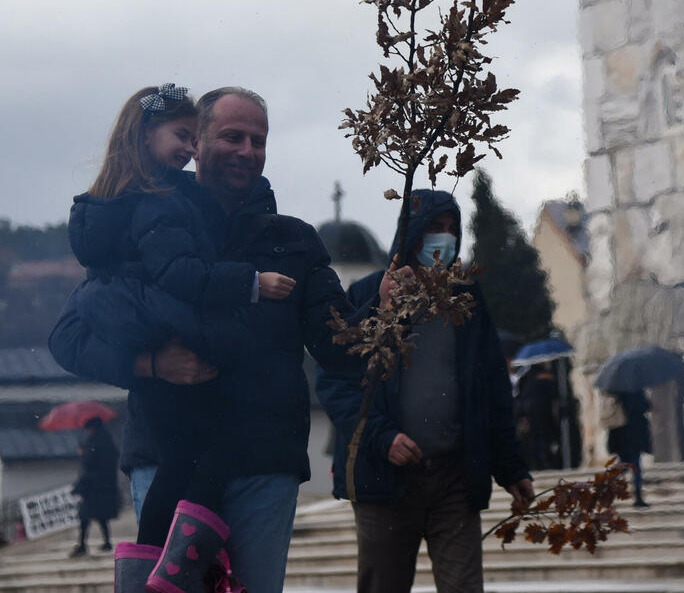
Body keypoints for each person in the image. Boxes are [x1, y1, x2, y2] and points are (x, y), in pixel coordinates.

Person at [50, 86, 388, 593]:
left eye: (258, 140)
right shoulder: (153, 219)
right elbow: (69, 337)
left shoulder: (294, 240)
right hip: (166, 457)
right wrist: (150, 365)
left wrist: (388, 307)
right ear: (196, 143)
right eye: (232, 136)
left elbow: (341, 351)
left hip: (262, 460)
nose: (247, 151)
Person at [316, 189, 534, 593]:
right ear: (411, 233)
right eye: (434, 228)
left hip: (454, 476)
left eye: (452, 229)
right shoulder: (369, 295)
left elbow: (490, 389)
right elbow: (336, 382)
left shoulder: (465, 299)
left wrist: (511, 467)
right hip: (385, 480)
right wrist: (382, 437)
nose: (445, 238)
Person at [70, 417, 121, 557]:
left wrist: (83, 453)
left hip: (93, 486)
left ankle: (82, 544)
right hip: (106, 486)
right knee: (101, 515)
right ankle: (106, 541)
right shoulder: (108, 440)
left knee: (85, 515)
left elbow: (90, 462)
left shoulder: (94, 442)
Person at [607, 391, 652, 508]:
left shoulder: (615, 392)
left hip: (620, 435)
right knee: (635, 465)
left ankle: (607, 486)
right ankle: (638, 496)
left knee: (625, 465)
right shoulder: (636, 390)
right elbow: (645, 406)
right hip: (634, 434)